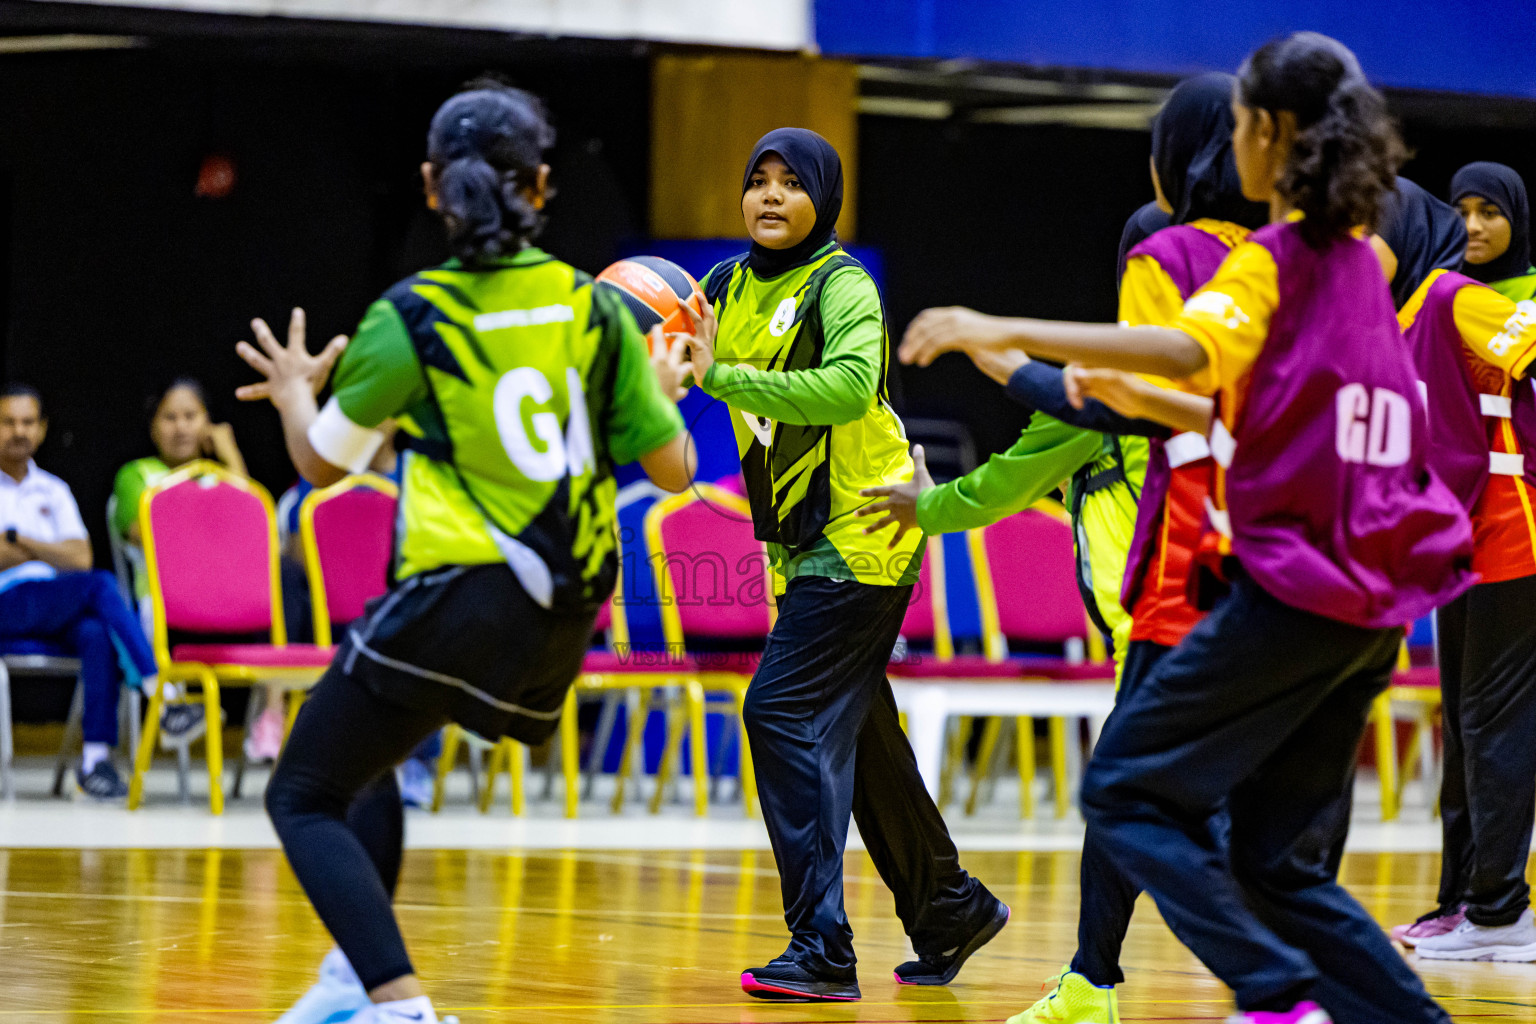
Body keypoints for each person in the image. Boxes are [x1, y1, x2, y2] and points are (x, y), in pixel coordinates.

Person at [899, 32, 1473, 1024]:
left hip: (1290, 588)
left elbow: (1187, 351)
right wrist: (1085, 385)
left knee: (1126, 789)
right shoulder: (1367, 263)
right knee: (1274, 862)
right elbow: (1219, 400)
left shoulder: (1275, 260)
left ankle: (1271, 989)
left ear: (1268, 134)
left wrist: (1002, 328)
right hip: (1378, 606)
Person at [244, 80, 694, 1024]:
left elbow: (320, 468)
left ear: (430, 187)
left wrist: (294, 390)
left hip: (461, 594)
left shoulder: (412, 316)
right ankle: (350, 979)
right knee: (368, 760)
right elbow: (676, 470)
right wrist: (661, 386)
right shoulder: (597, 312)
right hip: (566, 615)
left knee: (302, 793)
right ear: (542, 185)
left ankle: (400, 1006)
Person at [672, 127, 1006, 1003]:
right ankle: (950, 909)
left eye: (790, 182)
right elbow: (678, 361)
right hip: (800, 543)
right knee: (862, 735)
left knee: (779, 708)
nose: (771, 196)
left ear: (826, 194)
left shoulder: (843, 282)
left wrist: (723, 377)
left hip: (870, 529)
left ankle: (820, 948)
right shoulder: (723, 286)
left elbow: (853, 387)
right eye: (758, 181)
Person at [1381, 180, 1536, 961]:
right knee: (1469, 723)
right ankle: (1468, 905)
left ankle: (1502, 914)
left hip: (1514, 524)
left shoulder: (1452, 295)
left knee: (1494, 722)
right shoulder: (1402, 312)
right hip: (1462, 538)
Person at [0, 383, 166, 799]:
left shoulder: (54, 489)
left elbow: (81, 558)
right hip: (7, 603)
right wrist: (50, 552)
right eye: (7, 422)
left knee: (95, 631)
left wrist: (21, 542)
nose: (18, 431)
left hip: (57, 604)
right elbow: (68, 558)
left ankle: (94, 762)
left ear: (41, 429)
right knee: (101, 586)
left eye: (27, 422)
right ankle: (157, 688)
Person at [112, 378, 256, 754]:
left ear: (207, 422)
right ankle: (173, 707)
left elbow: (254, 526)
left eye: (191, 416)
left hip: (227, 600)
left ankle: (272, 726)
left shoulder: (219, 475)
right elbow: (141, 532)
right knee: (146, 611)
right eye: (169, 417)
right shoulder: (136, 475)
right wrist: (209, 522)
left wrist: (230, 454)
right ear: (153, 427)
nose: (180, 427)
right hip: (160, 598)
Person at [1451, 162, 1536, 302]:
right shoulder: (1436, 293)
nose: (1471, 227)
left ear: (1516, 218)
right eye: (1461, 214)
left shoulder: (1531, 289)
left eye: (1488, 213)